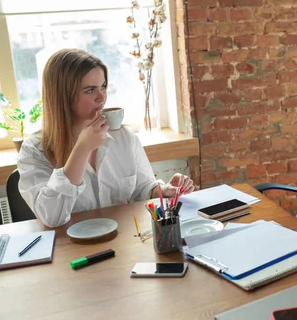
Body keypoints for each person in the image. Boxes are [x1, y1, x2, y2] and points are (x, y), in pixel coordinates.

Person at [18, 49, 194, 228]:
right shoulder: (34, 150)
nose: (102, 97)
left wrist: (163, 191)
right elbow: (52, 217)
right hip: (73, 249)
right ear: (63, 96)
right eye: (89, 90)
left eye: (103, 86)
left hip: (123, 241)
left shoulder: (124, 137)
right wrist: (82, 149)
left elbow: (141, 189)